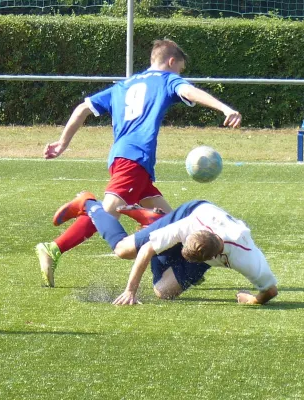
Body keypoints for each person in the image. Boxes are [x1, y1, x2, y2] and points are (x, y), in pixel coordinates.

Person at [35, 39, 242, 287]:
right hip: (134, 159)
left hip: (126, 159)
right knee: (107, 211)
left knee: (172, 222)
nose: (180, 76)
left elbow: (83, 108)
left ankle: (176, 269)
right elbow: (189, 92)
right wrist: (224, 108)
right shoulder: (166, 79)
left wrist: (62, 142)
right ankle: (57, 244)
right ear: (171, 61)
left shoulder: (123, 86)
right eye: (180, 70)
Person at [52, 191, 279, 305]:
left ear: (215, 258)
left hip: (209, 248)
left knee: (163, 293)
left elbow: (270, 290)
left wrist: (253, 300)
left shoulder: (246, 257)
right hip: (196, 210)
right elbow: (148, 249)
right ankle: (88, 203)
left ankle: (151, 223)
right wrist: (130, 289)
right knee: (123, 250)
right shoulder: (191, 224)